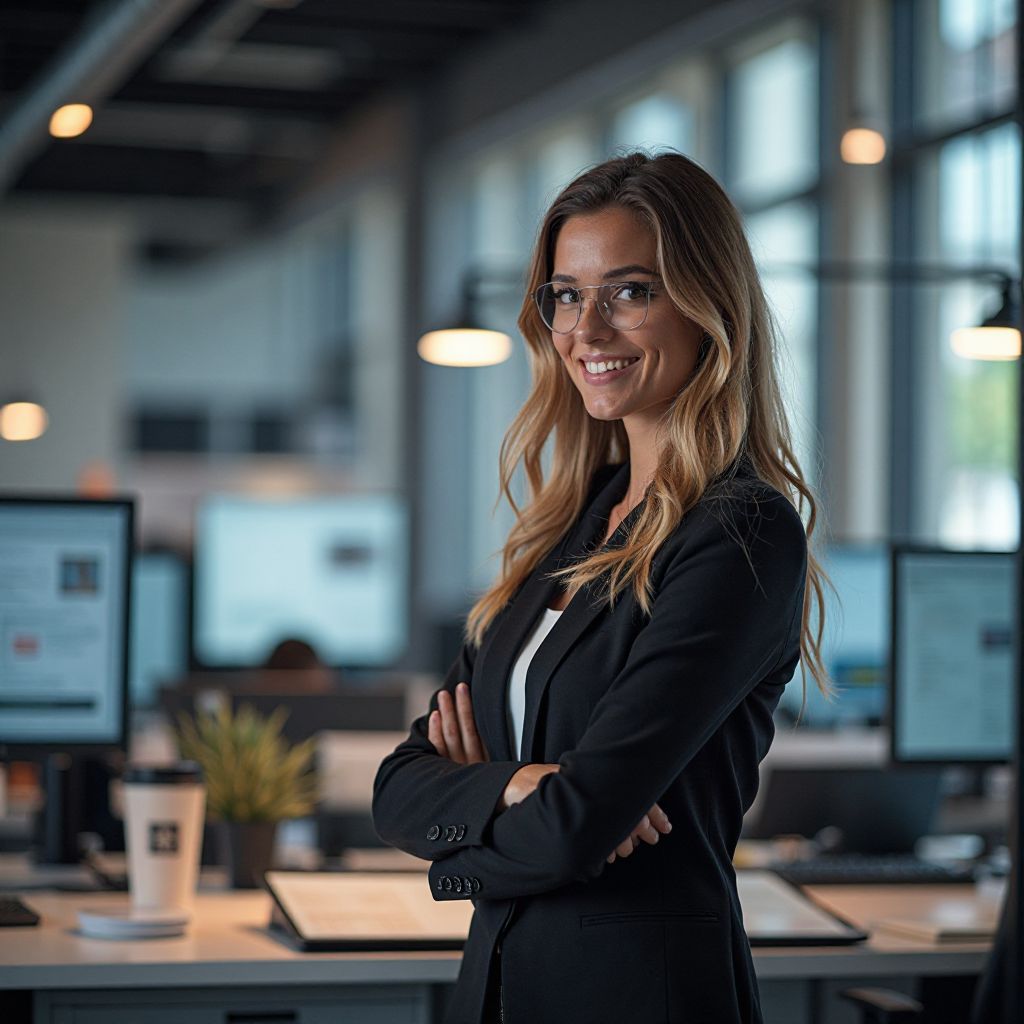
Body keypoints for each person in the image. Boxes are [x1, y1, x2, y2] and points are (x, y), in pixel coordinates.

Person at [372, 151, 829, 1024]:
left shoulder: (740, 532)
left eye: (631, 292)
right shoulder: (567, 527)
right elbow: (396, 787)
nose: (587, 329)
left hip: (640, 997)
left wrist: (465, 836)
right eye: (567, 295)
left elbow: (577, 823)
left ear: (707, 306)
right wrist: (517, 784)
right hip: (497, 991)